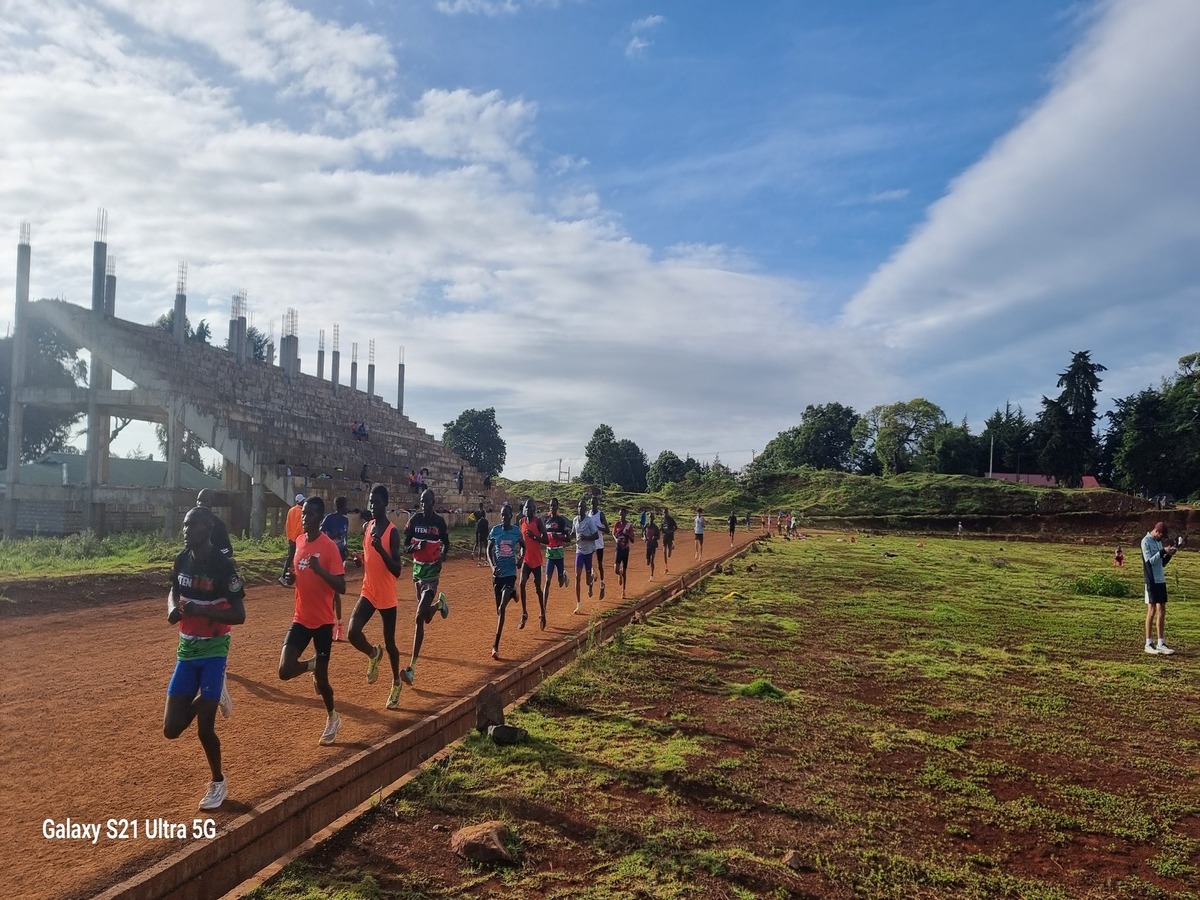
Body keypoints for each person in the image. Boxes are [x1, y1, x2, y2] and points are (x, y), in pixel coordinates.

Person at [163, 505, 246, 811]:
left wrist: (205, 611)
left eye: (191, 525)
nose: (185, 531)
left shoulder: (223, 567)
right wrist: (172, 608)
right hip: (186, 648)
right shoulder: (182, 559)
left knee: (205, 728)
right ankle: (214, 693)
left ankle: (218, 782)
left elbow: (240, 614)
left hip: (214, 648)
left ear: (207, 529)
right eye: (184, 525)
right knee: (171, 729)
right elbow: (172, 592)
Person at [278, 496, 346, 745]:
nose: (304, 518)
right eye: (303, 514)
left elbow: (342, 585)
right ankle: (312, 665)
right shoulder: (299, 542)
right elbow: (299, 575)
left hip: (322, 623)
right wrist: (291, 577)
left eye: (310, 514)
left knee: (324, 682)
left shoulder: (329, 548)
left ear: (321, 518)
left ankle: (332, 718)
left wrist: (321, 571)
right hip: (301, 618)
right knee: (284, 670)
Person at [346, 484, 406, 708]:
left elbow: (398, 570)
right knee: (352, 632)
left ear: (385, 504)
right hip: (368, 590)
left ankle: (396, 682)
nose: (372, 505)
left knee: (391, 643)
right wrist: (360, 560)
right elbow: (368, 555)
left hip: (387, 595)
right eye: (371, 501)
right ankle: (373, 653)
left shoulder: (392, 533)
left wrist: (381, 549)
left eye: (377, 502)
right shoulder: (367, 526)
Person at [400, 488, 451, 691]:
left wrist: (442, 558)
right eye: (421, 501)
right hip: (417, 573)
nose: (423, 505)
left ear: (433, 502)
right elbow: (404, 546)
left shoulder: (439, 522)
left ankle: (411, 668)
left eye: (427, 501)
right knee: (427, 617)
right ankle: (439, 604)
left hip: (432, 573)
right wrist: (416, 547)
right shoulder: (414, 520)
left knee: (419, 616)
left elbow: (447, 544)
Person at [487, 502, 524, 659]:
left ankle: (495, 646)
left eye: (506, 515)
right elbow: (489, 550)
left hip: (510, 574)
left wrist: (521, 557)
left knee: (502, 608)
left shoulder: (516, 532)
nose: (504, 518)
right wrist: (492, 566)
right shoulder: (495, 531)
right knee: (499, 611)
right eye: (502, 515)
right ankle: (514, 593)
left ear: (511, 516)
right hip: (498, 575)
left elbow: (523, 546)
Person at [1142, 521, 1179, 655]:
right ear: (1157, 532)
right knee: (1151, 610)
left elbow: (1161, 563)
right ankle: (1148, 643)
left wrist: (1169, 554)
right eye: (1160, 536)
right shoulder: (1145, 541)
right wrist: (1163, 550)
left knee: (1162, 609)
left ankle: (1161, 642)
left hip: (1160, 579)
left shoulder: (1158, 542)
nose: (1161, 539)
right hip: (1151, 580)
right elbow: (1149, 562)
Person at [320, 496, 351, 640]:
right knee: (332, 593)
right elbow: (321, 535)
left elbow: (345, 538)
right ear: (340, 506)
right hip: (330, 559)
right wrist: (332, 536)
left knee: (336, 593)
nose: (347, 508)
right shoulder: (329, 519)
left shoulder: (346, 520)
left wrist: (347, 548)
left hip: (341, 559)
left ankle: (337, 625)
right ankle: (331, 624)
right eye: (346, 506)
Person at [518, 498, 549, 629]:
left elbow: (546, 540)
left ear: (533, 509)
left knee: (537, 588)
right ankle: (524, 613)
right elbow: (522, 542)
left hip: (536, 561)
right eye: (526, 507)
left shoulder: (538, 521)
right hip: (526, 559)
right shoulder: (522, 522)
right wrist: (520, 556)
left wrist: (535, 537)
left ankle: (542, 613)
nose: (527, 510)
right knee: (521, 583)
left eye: (529, 508)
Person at [572, 498, 601, 614]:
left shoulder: (589, 521)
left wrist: (585, 538)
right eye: (579, 507)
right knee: (577, 576)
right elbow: (573, 533)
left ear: (585, 509)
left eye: (582, 507)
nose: (580, 509)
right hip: (579, 551)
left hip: (588, 551)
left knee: (587, 581)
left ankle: (592, 576)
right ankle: (578, 605)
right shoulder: (575, 520)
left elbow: (596, 536)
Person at [542, 497, 571, 608]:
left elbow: (568, 539)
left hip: (559, 554)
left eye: (554, 505)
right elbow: (543, 535)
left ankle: (563, 575)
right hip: (550, 554)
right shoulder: (546, 520)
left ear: (557, 507)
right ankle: (543, 607)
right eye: (551, 505)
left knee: (560, 583)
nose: (552, 507)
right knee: (547, 581)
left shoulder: (561, 520)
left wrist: (558, 536)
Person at [196, 489, 234, 560]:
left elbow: (227, 550)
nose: (200, 503)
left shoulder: (218, 525)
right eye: (198, 500)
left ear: (211, 503)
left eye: (205, 501)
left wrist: (213, 555)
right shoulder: (191, 522)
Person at [279, 493, 305, 586]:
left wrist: (289, 537)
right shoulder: (301, 511)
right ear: (301, 501)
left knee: (290, 558)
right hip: (299, 539)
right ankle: (297, 577)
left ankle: (283, 577)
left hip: (291, 538)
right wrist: (300, 537)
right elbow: (300, 526)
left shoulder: (291, 510)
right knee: (300, 558)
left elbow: (287, 525)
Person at [611, 507, 636, 599]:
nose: (621, 516)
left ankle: (623, 591)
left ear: (625, 515)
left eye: (623, 514)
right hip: (618, 549)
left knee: (625, 570)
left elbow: (633, 540)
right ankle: (619, 574)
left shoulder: (629, 525)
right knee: (616, 570)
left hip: (625, 550)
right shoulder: (617, 524)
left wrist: (628, 534)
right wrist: (615, 539)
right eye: (620, 514)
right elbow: (613, 534)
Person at [589, 494, 610, 600]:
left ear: (597, 504)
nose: (592, 505)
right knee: (588, 564)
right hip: (590, 543)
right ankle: (592, 579)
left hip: (599, 543)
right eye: (591, 503)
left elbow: (608, 530)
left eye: (594, 503)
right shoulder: (588, 514)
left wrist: (597, 527)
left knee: (599, 564)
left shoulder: (600, 514)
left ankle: (602, 584)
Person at [643, 513, 660, 578]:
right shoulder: (646, 526)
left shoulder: (655, 527)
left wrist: (655, 537)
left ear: (653, 519)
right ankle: (648, 560)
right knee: (648, 562)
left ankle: (652, 574)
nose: (651, 519)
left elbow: (658, 537)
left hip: (653, 545)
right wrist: (644, 537)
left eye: (652, 518)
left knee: (652, 560)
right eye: (650, 518)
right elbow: (644, 532)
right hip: (648, 545)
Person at [661, 507, 677, 574]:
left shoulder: (671, 519)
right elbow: (661, 527)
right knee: (664, 552)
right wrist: (661, 529)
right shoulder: (662, 519)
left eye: (666, 513)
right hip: (664, 537)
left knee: (669, 555)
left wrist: (671, 531)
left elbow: (676, 527)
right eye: (664, 513)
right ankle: (666, 567)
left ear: (668, 513)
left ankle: (671, 546)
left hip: (670, 537)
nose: (665, 514)